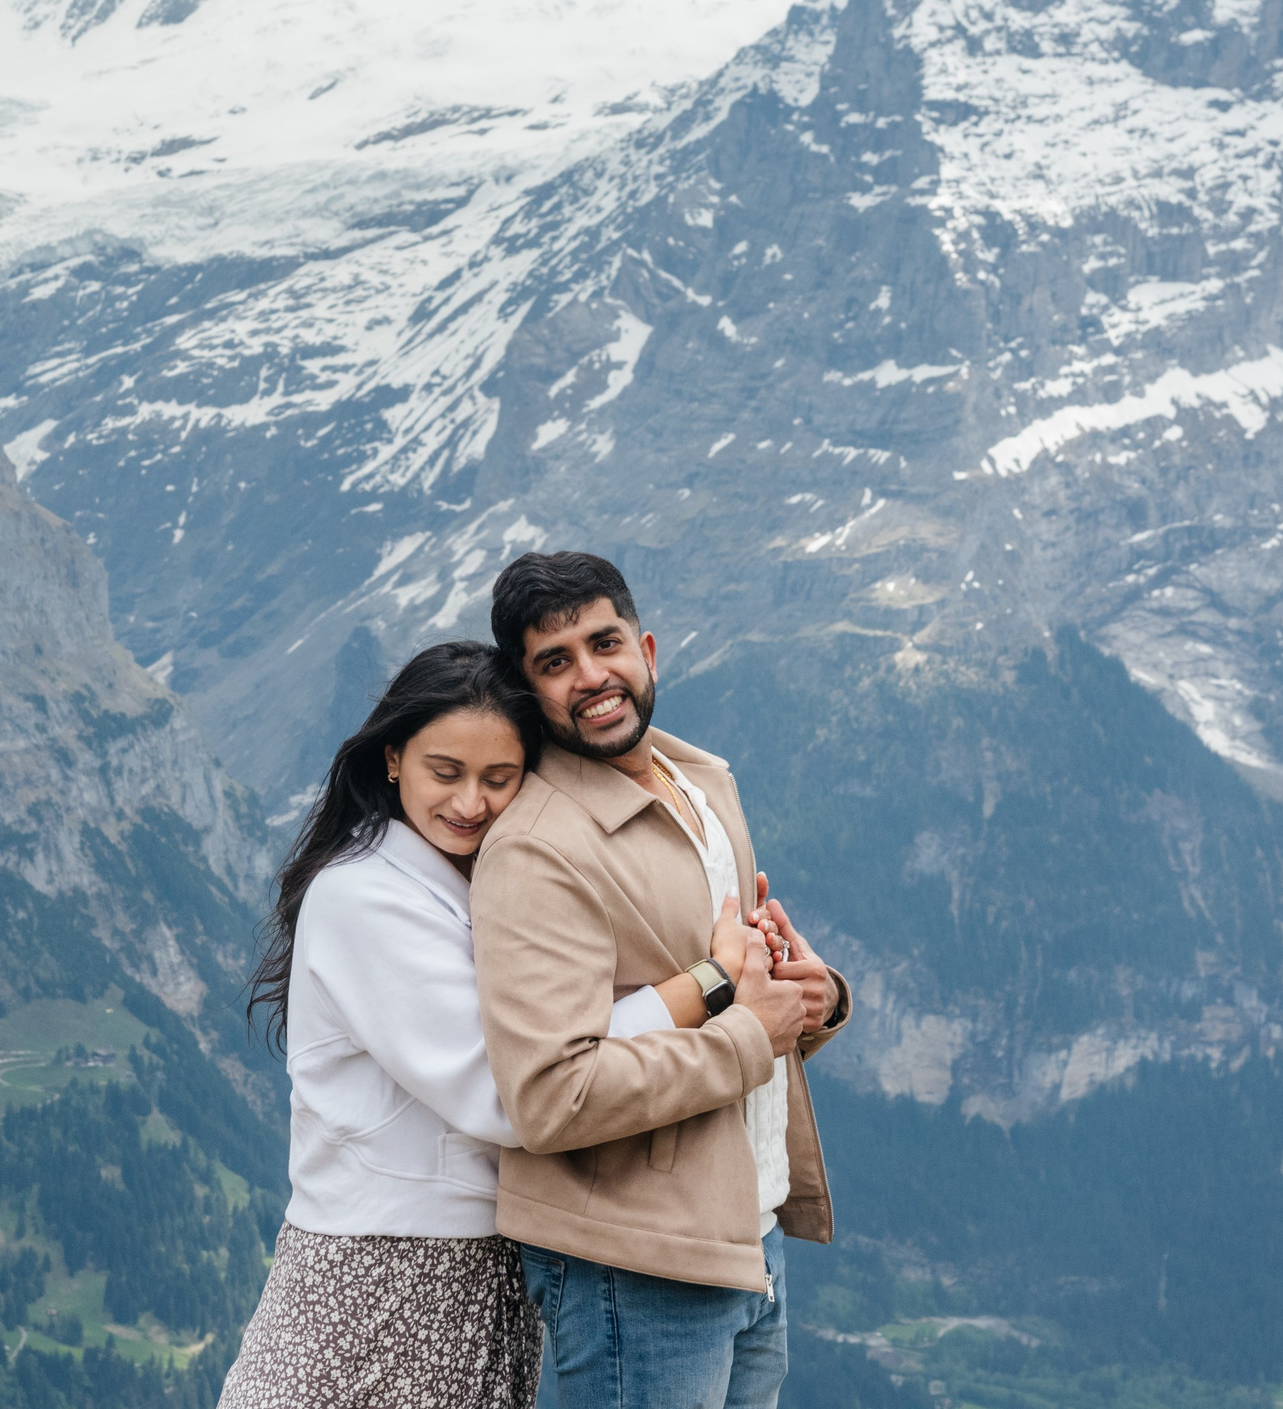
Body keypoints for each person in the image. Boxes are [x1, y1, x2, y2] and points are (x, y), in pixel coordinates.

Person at [220, 640, 750, 1409]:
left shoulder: (470, 878)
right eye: (447, 772)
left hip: (473, 1272)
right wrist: (707, 986)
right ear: (393, 757)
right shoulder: (364, 897)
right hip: (387, 1280)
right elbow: (512, 1093)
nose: (470, 802)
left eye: (499, 778)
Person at [472, 552, 853, 1409]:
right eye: (554, 661)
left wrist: (811, 996)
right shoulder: (538, 849)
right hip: (632, 1265)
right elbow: (550, 1096)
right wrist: (752, 1031)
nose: (591, 675)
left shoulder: (703, 784)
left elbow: (733, 997)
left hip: (746, 1236)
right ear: (526, 691)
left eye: (604, 642)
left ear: (648, 649)